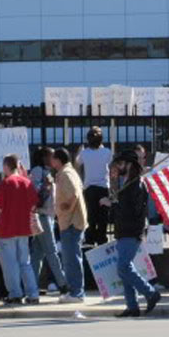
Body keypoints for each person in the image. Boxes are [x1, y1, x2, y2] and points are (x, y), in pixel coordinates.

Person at [110, 150, 161, 317]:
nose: (118, 166)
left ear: (129, 164)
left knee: (123, 268)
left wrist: (112, 204)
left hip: (131, 231)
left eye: (120, 163)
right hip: (125, 230)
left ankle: (150, 293)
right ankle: (132, 306)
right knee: (126, 268)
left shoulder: (135, 185)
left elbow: (132, 210)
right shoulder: (128, 183)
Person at [0, 154, 40, 305]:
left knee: (9, 264)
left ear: (6, 166)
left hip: (7, 229)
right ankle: (33, 294)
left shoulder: (5, 183)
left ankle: (15, 294)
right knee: (25, 263)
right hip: (24, 229)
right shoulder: (27, 182)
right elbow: (34, 204)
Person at [29, 146, 68, 298]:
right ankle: (63, 283)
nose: (53, 159)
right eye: (51, 156)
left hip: (47, 216)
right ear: (44, 157)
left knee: (37, 254)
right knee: (51, 251)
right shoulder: (38, 171)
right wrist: (46, 184)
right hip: (42, 216)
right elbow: (34, 191)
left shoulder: (47, 171)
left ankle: (31, 285)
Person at [53, 147, 88, 304]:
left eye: (53, 158)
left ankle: (76, 293)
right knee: (71, 258)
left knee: (71, 259)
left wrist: (67, 206)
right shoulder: (69, 172)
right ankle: (75, 291)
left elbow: (73, 193)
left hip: (71, 223)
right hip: (71, 222)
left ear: (59, 160)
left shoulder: (66, 174)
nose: (51, 161)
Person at [77, 127, 113, 246]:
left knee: (90, 217)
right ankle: (102, 240)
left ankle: (89, 241)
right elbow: (111, 165)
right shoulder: (107, 152)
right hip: (103, 188)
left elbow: (76, 164)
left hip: (89, 188)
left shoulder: (84, 153)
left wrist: (79, 151)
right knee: (103, 218)